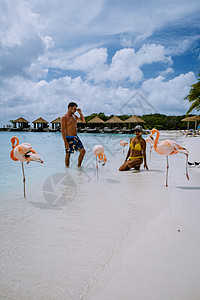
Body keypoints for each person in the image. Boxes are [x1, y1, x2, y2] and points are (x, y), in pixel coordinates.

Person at [61, 102, 86, 167]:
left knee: (83, 151)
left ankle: (79, 167)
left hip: (76, 137)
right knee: (68, 154)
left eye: (76, 109)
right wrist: (65, 142)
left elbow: (83, 121)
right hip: (68, 138)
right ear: (70, 108)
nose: (75, 111)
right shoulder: (64, 117)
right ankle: (67, 169)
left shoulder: (75, 116)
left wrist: (80, 113)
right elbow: (62, 130)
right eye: (74, 109)